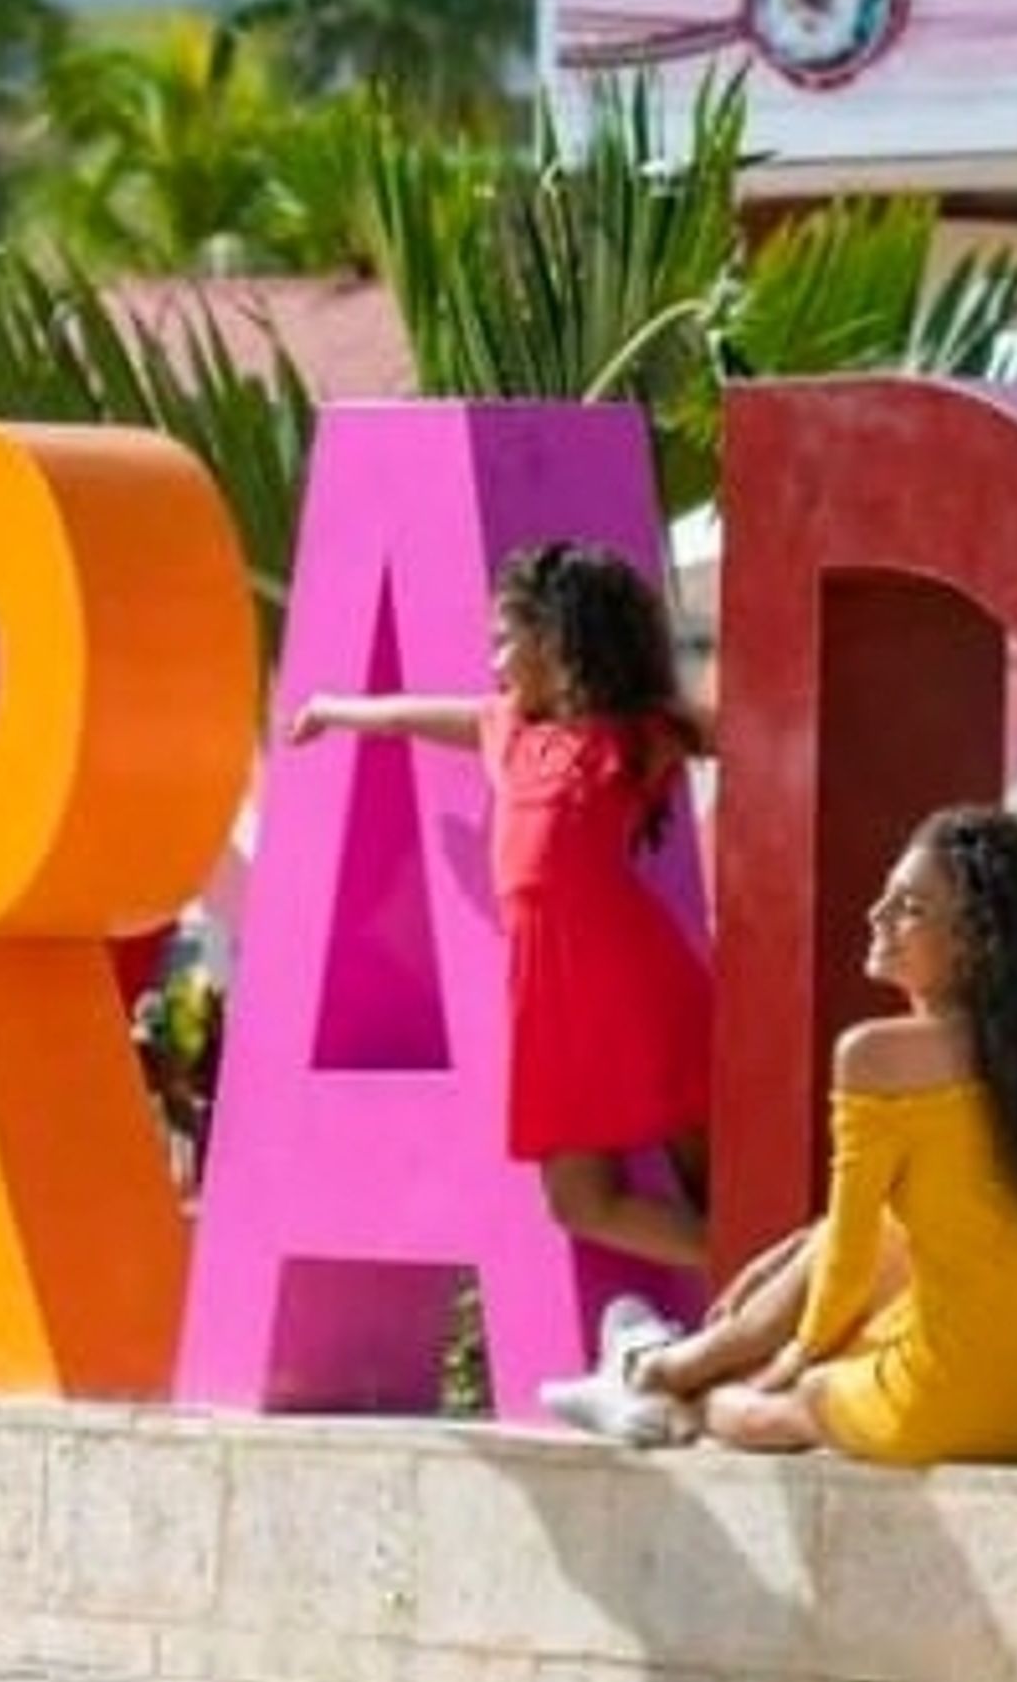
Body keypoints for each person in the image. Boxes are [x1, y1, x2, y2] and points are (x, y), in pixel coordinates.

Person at [606, 806, 1017, 1467]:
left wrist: (794, 1362)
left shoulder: (876, 1056)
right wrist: (796, 1255)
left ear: (977, 941)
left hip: (956, 1398)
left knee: (774, 1404)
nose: (877, 915)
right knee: (879, 1254)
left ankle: (662, 1390)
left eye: (909, 908)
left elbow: (847, 1258)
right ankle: (669, 1364)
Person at [288, 542, 715, 1295]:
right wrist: (330, 709)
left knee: (719, 1170)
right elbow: (407, 716)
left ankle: (780, 1272)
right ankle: (760, 1268)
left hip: (634, 978)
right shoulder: (507, 730)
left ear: (557, 639)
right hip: (548, 995)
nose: (493, 658)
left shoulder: (633, 735)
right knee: (579, 1201)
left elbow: (755, 732)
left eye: (503, 638)